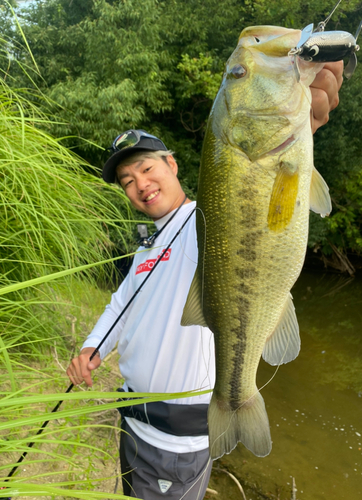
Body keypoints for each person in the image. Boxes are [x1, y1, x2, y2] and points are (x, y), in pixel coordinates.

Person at [67, 61, 344, 499]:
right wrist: (92, 346)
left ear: (172, 165)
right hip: (134, 424)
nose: (140, 183)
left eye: (146, 168)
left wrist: (299, 125)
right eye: (127, 180)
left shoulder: (209, 222)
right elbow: (122, 303)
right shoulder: (147, 247)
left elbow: (259, 195)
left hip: (177, 443)